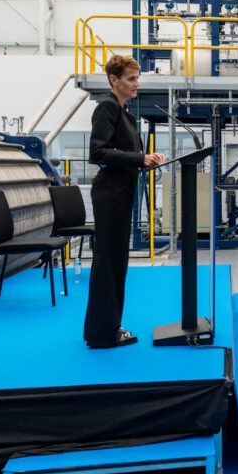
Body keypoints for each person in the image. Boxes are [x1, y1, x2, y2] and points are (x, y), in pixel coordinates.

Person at [84, 55, 166, 349]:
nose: (136, 83)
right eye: (131, 79)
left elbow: (126, 153)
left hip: (120, 191)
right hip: (110, 193)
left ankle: (105, 328)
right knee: (108, 263)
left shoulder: (123, 112)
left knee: (116, 262)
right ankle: (103, 334)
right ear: (113, 80)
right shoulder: (107, 107)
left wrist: (147, 159)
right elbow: (97, 152)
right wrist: (139, 158)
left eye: (136, 78)